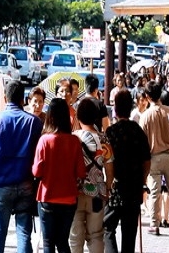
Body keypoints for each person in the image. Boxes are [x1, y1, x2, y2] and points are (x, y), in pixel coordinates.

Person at [0, 80, 43, 253]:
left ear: (5, 98)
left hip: (2, 183)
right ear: (23, 100)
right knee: (23, 234)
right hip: (27, 183)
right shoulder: (34, 123)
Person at [33, 98, 86, 253]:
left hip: (47, 197)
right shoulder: (74, 141)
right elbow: (81, 172)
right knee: (63, 241)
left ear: (50, 116)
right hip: (69, 198)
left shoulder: (44, 140)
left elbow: (37, 172)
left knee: (48, 242)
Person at [103, 89, 151, 253]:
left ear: (115, 109)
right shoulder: (138, 131)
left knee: (107, 228)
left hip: (116, 188)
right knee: (129, 233)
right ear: (131, 108)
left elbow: (107, 160)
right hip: (134, 187)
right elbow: (146, 159)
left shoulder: (111, 132)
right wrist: (143, 181)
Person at [70, 98, 114, 253]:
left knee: (75, 237)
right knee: (96, 236)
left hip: (75, 192)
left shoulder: (72, 138)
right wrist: (107, 188)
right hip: (97, 193)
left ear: (78, 116)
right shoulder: (104, 139)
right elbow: (109, 168)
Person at [139, 81, 169, 235]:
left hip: (153, 157)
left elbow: (142, 141)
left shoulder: (145, 116)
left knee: (155, 191)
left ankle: (154, 224)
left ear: (147, 96)